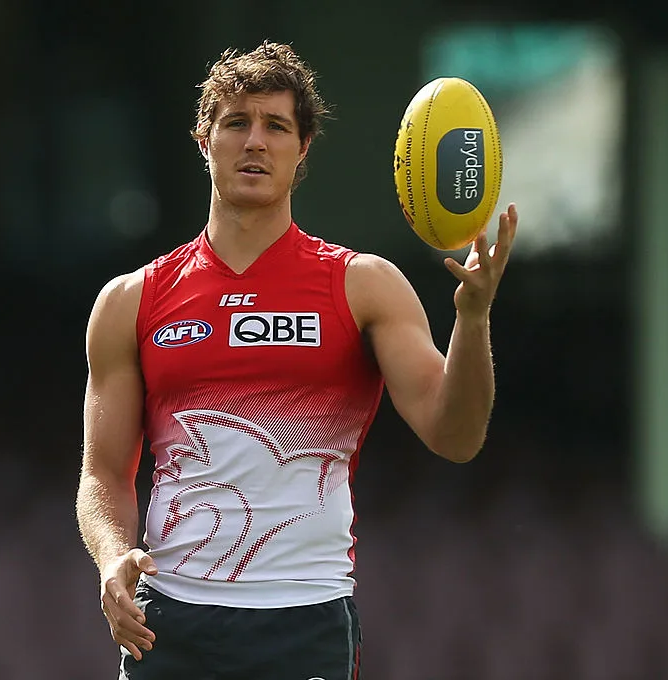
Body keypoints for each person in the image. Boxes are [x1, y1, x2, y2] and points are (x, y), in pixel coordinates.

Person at [76, 40, 518, 680]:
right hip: (169, 625)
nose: (255, 141)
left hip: (304, 621)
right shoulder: (130, 301)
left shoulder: (364, 286)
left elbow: (456, 436)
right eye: (236, 123)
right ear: (205, 140)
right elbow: (102, 474)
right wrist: (113, 556)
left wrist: (473, 319)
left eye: (276, 126)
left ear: (302, 149)